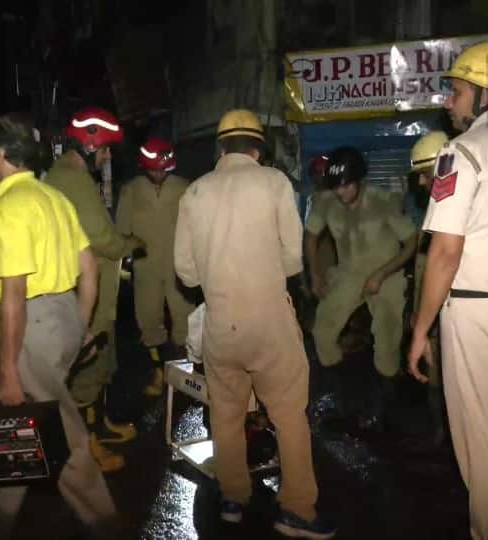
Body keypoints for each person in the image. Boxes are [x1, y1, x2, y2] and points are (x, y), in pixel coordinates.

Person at [174, 109, 335, 538]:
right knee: (288, 415)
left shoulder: (193, 193)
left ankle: (233, 498)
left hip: (220, 327)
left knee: (225, 415)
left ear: (220, 147)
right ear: (257, 147)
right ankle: (297, 510)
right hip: (269, 322)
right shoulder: (274, 183)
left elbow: (186, 273)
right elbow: (293, 259)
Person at [0, 113, 118, 534]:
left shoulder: (11, 205)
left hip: (32, 324)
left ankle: (106, 522)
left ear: (1, 155)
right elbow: (88, 266)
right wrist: (78, 323)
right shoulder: (52, 198)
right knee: (20, 431)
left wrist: (7, 370)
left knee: (63, 437)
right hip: (62, 315)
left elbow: (14, 293)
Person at [409, 41, 488, 540]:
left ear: (486, 94)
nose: (448, 102)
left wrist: (420, 331)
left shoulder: (462, 151)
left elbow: (444, 253)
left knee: (485, 441)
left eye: (457, 91)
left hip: (477, 313)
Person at [43, 107, 144, 451]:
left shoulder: (65, 176)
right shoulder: (73, 180)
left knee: (101, 362)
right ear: (90, 144)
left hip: (88, 292)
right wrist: (131, 243)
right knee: (88, 369)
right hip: (85, 295)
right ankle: (88, 446)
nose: (107, 157)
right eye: (105, 149)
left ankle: (100, 425)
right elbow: (103, 239)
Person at [305, 146, 417, 429]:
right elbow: (310, 236)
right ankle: (342, 399)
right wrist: (316, 274)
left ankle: (383, 409)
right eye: (336, 187)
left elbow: (411, 242)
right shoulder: (326, 200)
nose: (341, 193)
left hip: (387, 273)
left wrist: (382, 273)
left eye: (346, 186)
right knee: (322, 332)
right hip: (349, 273)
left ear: (360, 180)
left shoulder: (382, 201)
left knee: (386, 339)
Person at [116, 137, 193, 396]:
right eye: (152, 169)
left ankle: (187, 372)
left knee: (185, 317)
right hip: (145, 266)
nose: (157, 174)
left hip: (178, 265)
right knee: (148, 319)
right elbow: (121, 232)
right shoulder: (132, 190)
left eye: (162, 169)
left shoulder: (186, 188)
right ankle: (157, 370)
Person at [406, 131, 449, 449]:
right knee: (436, 383)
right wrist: (416, 316)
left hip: (454, 318)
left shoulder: (459, 215)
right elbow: (422, 271)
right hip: (432, 317)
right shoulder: (435, 216)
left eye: (424, 173)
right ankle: (441, 434)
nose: (421, 183)